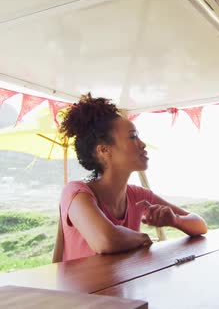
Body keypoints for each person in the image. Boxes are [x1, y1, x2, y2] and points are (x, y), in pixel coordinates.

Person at [57, 93, 207, 261]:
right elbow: (106, 240)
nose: (142, 144)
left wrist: (175, 220)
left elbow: (200, 225)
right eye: (133, 136)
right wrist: (141, 238)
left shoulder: (138, 196)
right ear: (104, 150)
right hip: (80, 289)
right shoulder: (76, 193)